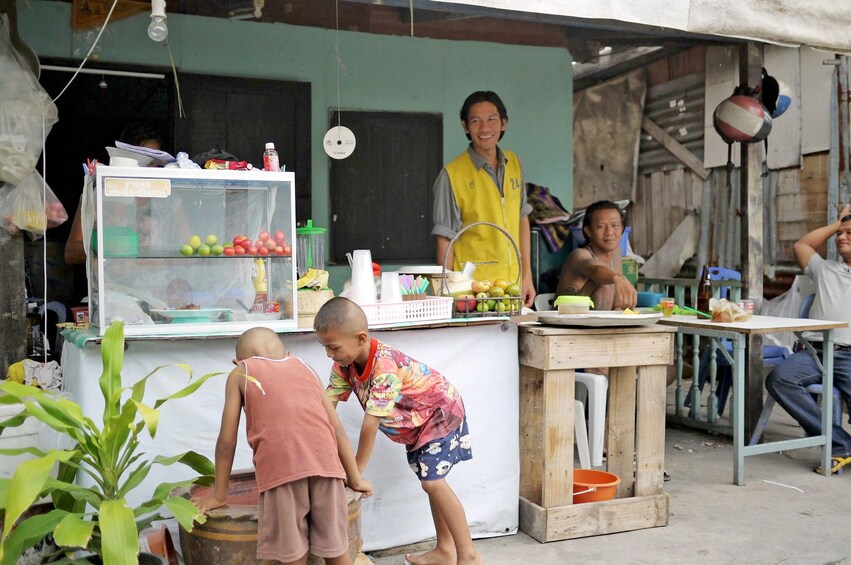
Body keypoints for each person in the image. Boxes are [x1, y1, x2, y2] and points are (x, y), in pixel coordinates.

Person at [314, 297, 483, 565]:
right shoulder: (343, 366)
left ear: (360, 338)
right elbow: (327, 407)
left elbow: (370, 424)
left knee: (433, 482)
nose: (329, 354)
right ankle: (445, 550)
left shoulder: (385, 367)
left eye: (333, 347)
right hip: (418, 423)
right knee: (431, 483)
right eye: (325, 347)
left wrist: (355, 474)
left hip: (439, 413)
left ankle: (469, 555)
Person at [192, 327, 372, 564]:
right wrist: (355, 478)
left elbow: (227, 442)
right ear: (287, 353)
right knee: (337, 551)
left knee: (292, 556)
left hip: (282, 475)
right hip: (327, 469)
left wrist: (219, 495)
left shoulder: (240, 373)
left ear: (237, 361)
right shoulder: (305, 367)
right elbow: (336, 429)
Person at [766, 203, 851, 475]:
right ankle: (841, 444)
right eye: (840, 234)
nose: (841, 237)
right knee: (779, 379)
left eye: (849, 233)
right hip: (814, 353)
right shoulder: (824, 269)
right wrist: (838, 223)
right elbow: (801, 245)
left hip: (849, 354)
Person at [432, 90, 536, 307]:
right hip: (473, 291)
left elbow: (521, 219)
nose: (485, 128)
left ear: (504, 123)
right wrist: (447, 293)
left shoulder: (513, 163)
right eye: (476, 121)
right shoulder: (452, 174)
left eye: (492, 119)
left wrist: (527, 276)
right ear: (465, 126)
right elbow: (445, 239)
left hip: (511, 287)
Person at [64, 122, 163, 265]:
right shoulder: (100, 195)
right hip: (112, 283)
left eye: (154, 161)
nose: (149, 167)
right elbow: (71, 254)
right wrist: (107, 245)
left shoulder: (168, 198)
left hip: (159, 284)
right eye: (144, 160)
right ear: (125, 158)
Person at [555, 199, 637, 310]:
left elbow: (616, 303)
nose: (609, 232)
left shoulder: (616, 253)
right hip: (569, 320)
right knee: (605, 284)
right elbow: (595, 270)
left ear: (622, 228)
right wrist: (616, 277)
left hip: (604, 323)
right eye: (601, 226)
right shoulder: (579, 255)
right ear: (588, 231)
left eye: (615, 225)